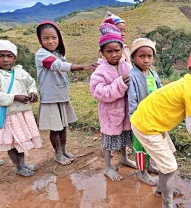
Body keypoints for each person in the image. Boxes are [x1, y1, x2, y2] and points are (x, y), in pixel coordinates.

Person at [131, 46, 191, 208]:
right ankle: (167, 203)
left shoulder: (190, 83)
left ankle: (161, 189)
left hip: (151, 121)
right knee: (169, 167)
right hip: (147, 125)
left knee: (168, 156)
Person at [35, 20, 97, 166]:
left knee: (63, 126)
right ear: (40, 40)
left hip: (61, 95)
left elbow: (61, 63)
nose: (51, 41)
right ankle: (57, 154)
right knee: (55, 128)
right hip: (50, 97)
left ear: (59, 38)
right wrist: (82, 67)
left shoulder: (58, 53)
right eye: (46, 38)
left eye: (54, 38)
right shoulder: (41, 54)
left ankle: (63, 150)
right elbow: (57, 66)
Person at [0, 40, 42, 176]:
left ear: (14, 57)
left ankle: (23, 164)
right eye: (1, 56)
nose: (5, 59)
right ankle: (18, 167)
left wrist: (33, 92)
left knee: (21, 141)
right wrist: (14, 97)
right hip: (8, 115)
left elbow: (31, 83)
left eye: (9, 56)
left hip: (22, 113)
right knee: (12, 143)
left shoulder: (20, 72)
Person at [90, 18, 136, 182]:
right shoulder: (100, 71)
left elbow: (134, 82)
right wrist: (119, 84)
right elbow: (98, 92)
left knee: (124, 136)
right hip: (110, 113)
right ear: (102, 53)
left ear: (122, 50)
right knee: (109, 141)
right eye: (109, 51)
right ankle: (108, 167)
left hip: (126, 111)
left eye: (117, 50)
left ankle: (124, 158)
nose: (114, 54)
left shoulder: (126, 66)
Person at [127, 38, 162, 186]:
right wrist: (136, 118)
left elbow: (160, 91)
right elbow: (132, 99)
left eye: (149, 56)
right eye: (142, 56)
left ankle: (148, 166)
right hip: (140, 118)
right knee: (140, 145)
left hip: (153, 117)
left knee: (150, 144)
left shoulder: (153, 74)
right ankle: (142, 172)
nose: (146, 60)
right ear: (133, 57)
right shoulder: (133, 76)